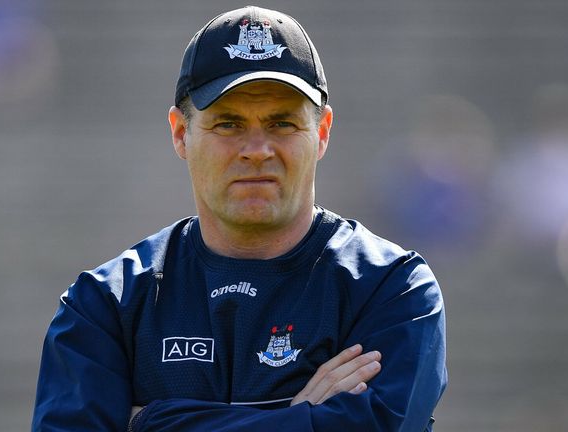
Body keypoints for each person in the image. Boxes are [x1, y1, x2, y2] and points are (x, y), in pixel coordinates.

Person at [32, 5, 447, 431]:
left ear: (321, 133)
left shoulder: (390, 289)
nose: (256, 149)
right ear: (180, 133)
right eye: (228, 124)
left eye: (282, 123)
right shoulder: (106, 305)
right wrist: (301, 419)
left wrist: (154, 422)